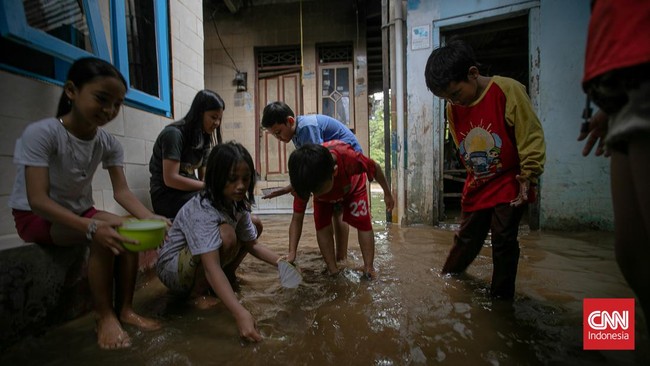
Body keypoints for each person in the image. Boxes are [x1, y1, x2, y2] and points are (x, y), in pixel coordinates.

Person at [8, 57, 170, 349]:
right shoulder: (43, 133)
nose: (109, 110)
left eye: (117, 104)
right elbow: (38, 200)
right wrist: (91, 226)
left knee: (129, 230)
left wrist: (151, 216)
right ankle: (104, 316)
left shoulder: (107, 142)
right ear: (71, 90)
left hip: (80, 210)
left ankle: (126, 310)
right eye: (101, 99)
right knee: (103, 235)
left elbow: (121, 192)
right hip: (35, 217)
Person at [424, 39, 546, 299]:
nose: (453, 102)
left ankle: (501, 299)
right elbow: (460, 142)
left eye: (455, 94)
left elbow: (530, 135)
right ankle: (449, 283)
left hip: (510, 179)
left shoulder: (507, 90)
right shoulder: (452, 107)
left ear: (473, 74)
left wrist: (529, 175)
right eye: (446, 98)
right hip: (478, 180)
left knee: (502, 238)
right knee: (466, 238)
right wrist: (474, 172)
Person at [156, 141, 284, 342]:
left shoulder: (237, 204)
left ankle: (227, 277)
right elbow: (211, 268)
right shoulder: (202, 209)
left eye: (246, 178)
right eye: (232, 179)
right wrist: (240, 312)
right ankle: (196, 295)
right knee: (227, 235)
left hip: (198, 261)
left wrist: (282, 263)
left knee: (254, 225)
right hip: (172, 268)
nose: (240, 185)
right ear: (216, 178)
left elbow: (252, 244)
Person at [578, 0, 650, 330]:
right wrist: (610, 106)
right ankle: (618, 347)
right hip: (616, 88)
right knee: (629, 256)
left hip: (639, 65)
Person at [261, 101, 362, 263]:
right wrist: (290, 188)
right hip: (329, 164)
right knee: (331, 212)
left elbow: (315, 165)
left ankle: (340, 258)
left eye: (279, 132)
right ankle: (336, 259)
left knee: (337, 211)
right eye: (274, 135)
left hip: (347, 162)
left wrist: (290, 188)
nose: (278, 138)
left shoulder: (307, 128)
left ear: (290, 121)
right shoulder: (296, 132)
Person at [287, 140, 394, 278]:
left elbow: (375, 168)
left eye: (318, 190)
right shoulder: (305, 181)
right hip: (324, 201)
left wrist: (387, 193)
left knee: (363, 223)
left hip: (353, 189)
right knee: (321, 225)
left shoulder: (349, 158)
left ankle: (369, 267)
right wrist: (292, 252)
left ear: (334, 172)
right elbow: (296, 219)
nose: (315, 195)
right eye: (312, 193)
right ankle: (333, 270)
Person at [149, 90, 224, 219]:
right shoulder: (173, 134)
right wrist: (209, 187)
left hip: (189, 193)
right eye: (213, 117)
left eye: (219, 119)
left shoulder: (203, 137)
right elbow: (171, 179)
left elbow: (204, 178)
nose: (217, 123)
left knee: (225, 197)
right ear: (200, 113)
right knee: (211, 202)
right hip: (166, 196)